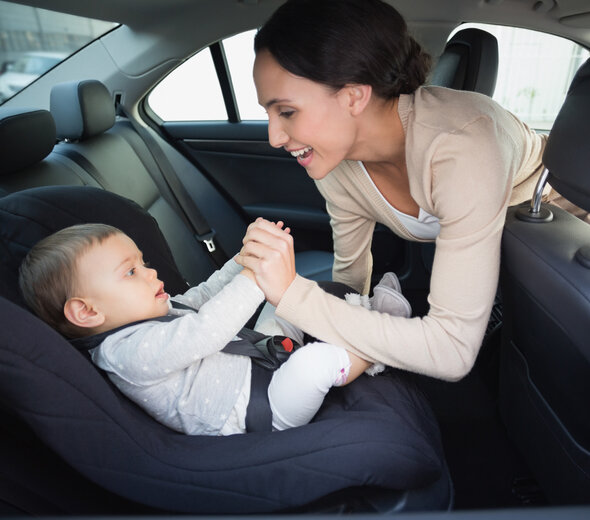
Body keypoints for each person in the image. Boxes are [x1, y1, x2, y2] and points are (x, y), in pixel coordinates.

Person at [237, 0, 555, 382]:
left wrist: (291, 295)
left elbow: (451, 351)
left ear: (353, 95)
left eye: (286, 112)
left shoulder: (464, 145)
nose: (273, 137)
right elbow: (351, 281)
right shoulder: (335, 165)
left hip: (557, 244)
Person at [18, 223, 411, 436]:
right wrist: (256, 278)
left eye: (143, 262)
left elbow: (203, 297)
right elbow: (207, 331)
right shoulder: (126, 355)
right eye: (132, 271)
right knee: (314, 364)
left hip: (258, 364)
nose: (151, 272)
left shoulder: (152, 314)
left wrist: (243, 261)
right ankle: (377, 342)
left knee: (285, 298)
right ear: (86, 312)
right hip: (259, 412)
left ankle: (364, 309)